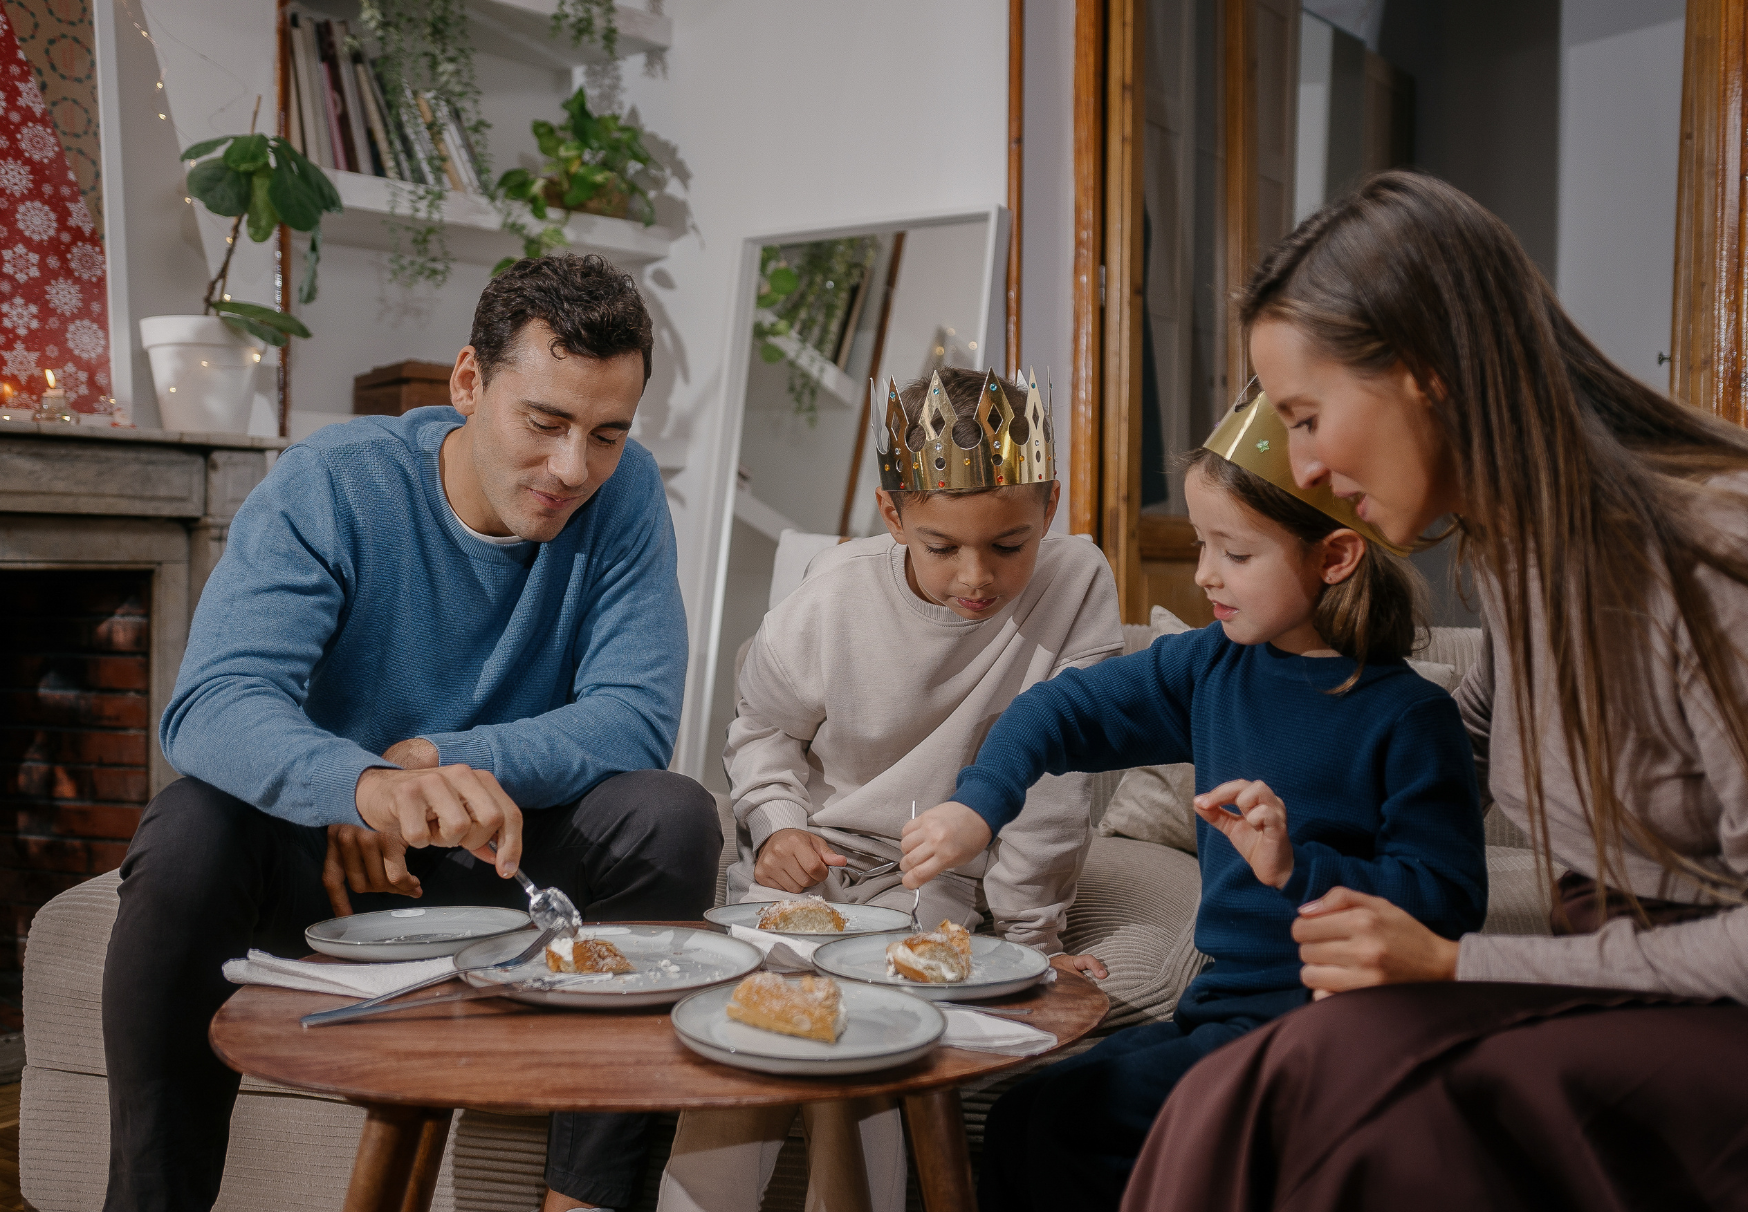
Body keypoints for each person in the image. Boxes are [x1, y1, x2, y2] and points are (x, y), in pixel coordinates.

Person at [1119, 171, 1748, 1212]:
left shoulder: (1711, 556)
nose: (1305, 467)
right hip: (1610, 978)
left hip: (1709, 1015)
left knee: (1355, 1103)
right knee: (1235, 1085)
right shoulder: (1521, 560)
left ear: (1423, 374)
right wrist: (1292, 800)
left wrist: (1455, 964)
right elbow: (1447, 737)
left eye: (1308, 418)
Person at [102, 255, 722, 1212]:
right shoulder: (332, 485)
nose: (573, 469)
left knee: (671, 815)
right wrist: (362, 787)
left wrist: (436, 760)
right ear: (469, 382)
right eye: (545, 423)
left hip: (502, 856)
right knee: (187, 828)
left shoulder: (625, 492)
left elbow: (635, 713)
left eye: (607, 434)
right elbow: (214, 702)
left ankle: (589, 1202)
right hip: (337, 860)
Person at [900, 386, 1488, 1212]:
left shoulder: (1408, 717)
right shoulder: (1211, 667)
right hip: (1221, 1014)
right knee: (1021, 1112)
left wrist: (1299, 868)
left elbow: (1451, 903)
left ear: (1336, 557)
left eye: (1236, 553)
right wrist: (979, 806)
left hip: (1331, 1030)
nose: (1205, 571)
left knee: (1074, 1122)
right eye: (1203, 542)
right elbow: (1054, 710)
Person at [655, 368, 1119, 1212]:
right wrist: (776, 823)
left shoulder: (1079, 582)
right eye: (941, 546)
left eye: (1009, 544)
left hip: (937, 874)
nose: (975, 576)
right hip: (814, 864)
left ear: (1049, 508)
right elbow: (762, 728)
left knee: (875, 1034)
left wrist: (1033, 939)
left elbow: (1060, 785)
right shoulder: (831, 598)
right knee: (747, 1026)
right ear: (894, 514)